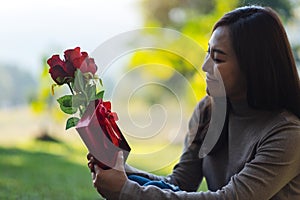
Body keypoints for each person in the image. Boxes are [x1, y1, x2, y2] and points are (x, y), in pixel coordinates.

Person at [88, 5, 300, 200]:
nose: (205, 66)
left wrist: (126, 191)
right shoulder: (209, 111)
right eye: (208, 53)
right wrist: (121, 170)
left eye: (218, 58)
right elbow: (180, 184)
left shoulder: (287, 133)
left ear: (253, 67)